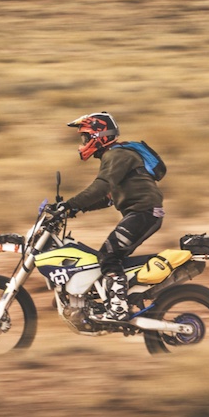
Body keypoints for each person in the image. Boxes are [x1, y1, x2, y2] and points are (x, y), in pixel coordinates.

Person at [55, 112, 165, 323]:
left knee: (108, 256)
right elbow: (107, 197)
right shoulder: (116, 156)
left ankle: (118, 309)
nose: (84, 142)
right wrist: (75, 209)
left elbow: (101, 187)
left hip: (144, 212)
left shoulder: (116, 155)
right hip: (143, 212)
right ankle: (116, 298)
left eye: (86, 137)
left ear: (100, 135)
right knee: (113, 256)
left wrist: (70, 204)